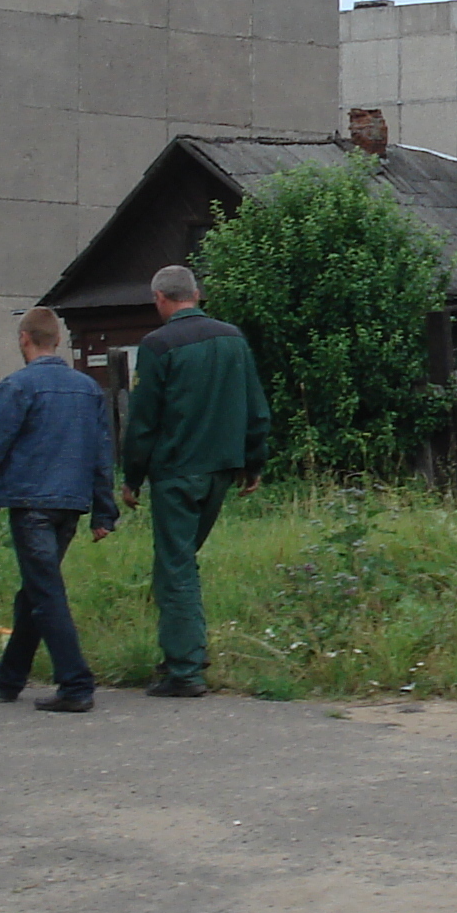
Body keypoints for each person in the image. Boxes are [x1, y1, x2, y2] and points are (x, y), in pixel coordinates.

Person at [0, 305, 118, 714]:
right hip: (70, 506)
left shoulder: (17, 387)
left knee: (45, 592)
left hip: (30, 502)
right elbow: (101, 454)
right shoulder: (88, 389)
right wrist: (104, 512)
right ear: (57, 340)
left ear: (24, 339)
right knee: (35, 591)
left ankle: (76, 684)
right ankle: (9, 677)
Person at [120, 264, 268, 698]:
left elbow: (144, 420)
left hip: (177, 470)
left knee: (176, 564)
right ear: (197, 294)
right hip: (222, 467)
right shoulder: (233, 339)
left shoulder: (157, 344)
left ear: (160, 299)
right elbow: (256, 408)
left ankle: (184, 669)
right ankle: (184, 652)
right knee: (183, 560)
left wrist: (132, 477)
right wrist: (253, 464)